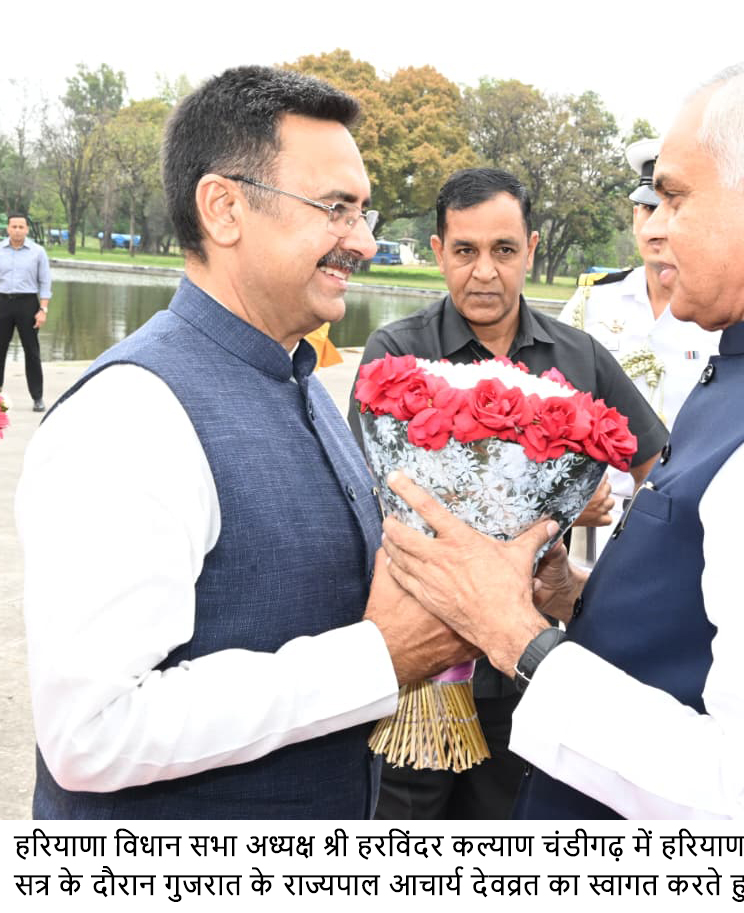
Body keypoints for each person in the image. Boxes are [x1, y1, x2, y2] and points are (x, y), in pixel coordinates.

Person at [380, 59, 744, 819]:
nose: (651, 227)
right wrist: (577, 598)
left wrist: (514, 634)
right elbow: (714, 619)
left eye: (675, 198)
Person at [15, 65, 474, 820]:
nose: (362, 241)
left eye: (363, 213)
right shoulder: (131, 414)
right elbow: (91, 732)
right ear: (224, 208)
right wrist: (375, 658)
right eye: (335, 208)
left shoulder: (300, 379)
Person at [348, 167, 668, 819]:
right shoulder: (397, 354)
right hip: (419, 664)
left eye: (503, 250)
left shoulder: (579, 357)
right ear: (438, 251)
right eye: (465, 250)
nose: (485, 272)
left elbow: (660, 470)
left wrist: (604, 549)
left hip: (524, 661)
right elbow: (372, 491)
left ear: (531, 249)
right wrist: (557, 504)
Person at [559, 138, 720, 561]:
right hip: (596, 523)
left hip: (687, 525)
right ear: (635, 216)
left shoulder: (721, 312)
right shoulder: (593, 301)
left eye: (673, 209)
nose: (657, 225)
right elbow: (550, 400)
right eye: (648, 209)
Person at [0, 213, 51, 412]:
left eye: (21, 227)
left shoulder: (38, 252)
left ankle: (37, 397)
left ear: (27, 229)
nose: (17, 230)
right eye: (14, 226)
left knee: (32, 351)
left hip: (28, 304)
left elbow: (45, 282)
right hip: (2, 302)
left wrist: (43, 309)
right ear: (8, 229)